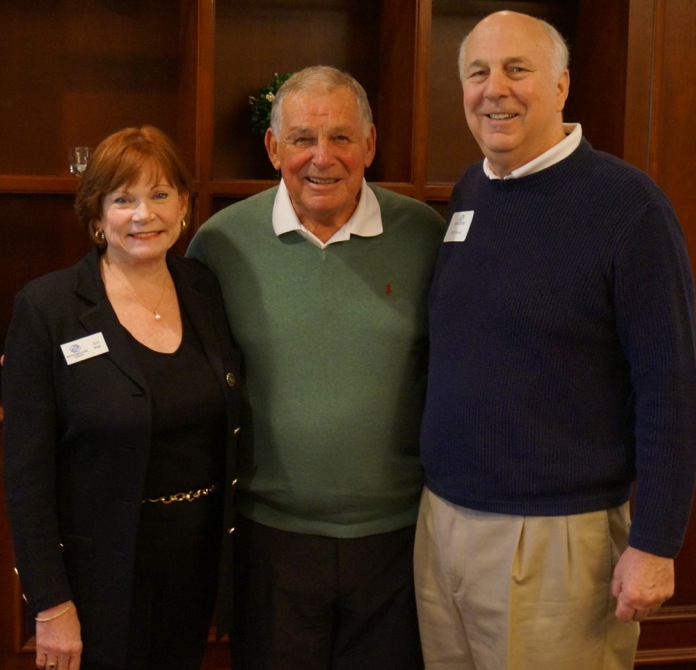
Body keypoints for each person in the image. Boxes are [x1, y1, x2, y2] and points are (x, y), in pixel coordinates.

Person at [415, 10, 696, 670]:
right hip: (443, 526)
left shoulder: (629, 207)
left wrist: (656, 544)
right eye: (477, 73)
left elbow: (670, 392)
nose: (495, 89)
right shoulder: (468, 194)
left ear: (562, 85)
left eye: (518, 69)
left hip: (553, 541)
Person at [187, 65, 445, 669]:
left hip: (399, 537)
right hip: (269, 539)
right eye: (302, 139)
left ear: (371, 145)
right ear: (274, 148)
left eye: (342, 139)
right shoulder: (220, 243)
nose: (321, 158)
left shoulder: (426, 237)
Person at [2, 126, 241, 670]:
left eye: (159, 195)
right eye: (123, 199)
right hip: (98, 575)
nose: (144, 214)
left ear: (183, 204)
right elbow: (27, 475)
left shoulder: (203, 289)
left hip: (195, 568)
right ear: (96, 215)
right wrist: (50, 603)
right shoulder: (49, 308)